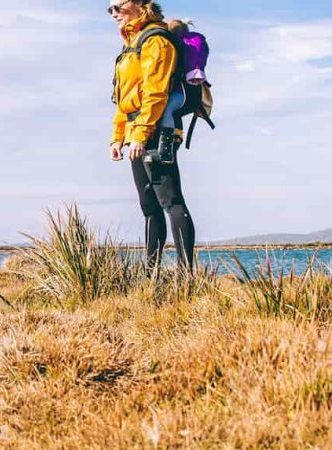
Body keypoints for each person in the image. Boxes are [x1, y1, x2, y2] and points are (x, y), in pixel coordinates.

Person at [108, 0, 197, 270]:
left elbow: (155, 93)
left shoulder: (156, 41)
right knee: (149, 206)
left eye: (118, 6)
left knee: (170, 201)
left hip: (158, 130)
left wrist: (141, 135)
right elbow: (124, 99)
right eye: (109, 9)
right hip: (137, 131)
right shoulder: (130, 45)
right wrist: (118, 136)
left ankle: (186, 276)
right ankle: (150, 273)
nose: (114, 14)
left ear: (141, 5)